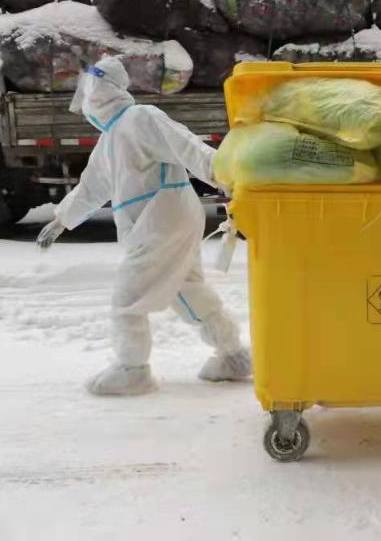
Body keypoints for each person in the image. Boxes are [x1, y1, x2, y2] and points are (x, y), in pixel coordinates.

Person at [37, 56, 252, 395]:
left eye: (88, 88)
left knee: (128, 297)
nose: (85, 97)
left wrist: (222, 173)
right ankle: (233, 355)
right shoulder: (111, 137)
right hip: (164, 219)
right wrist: (62, 219)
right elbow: (92, 187)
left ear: (101, 88)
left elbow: (184, 145)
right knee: (186, 289)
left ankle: (132, 368)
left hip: (160, 219)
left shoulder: (140, 118)